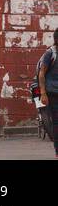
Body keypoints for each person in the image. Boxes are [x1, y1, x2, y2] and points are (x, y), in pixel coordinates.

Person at [37, 30, 58, 158]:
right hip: (53, 93)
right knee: (56, 122)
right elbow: (41, 74)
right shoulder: (51, 53)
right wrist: (43, 93)